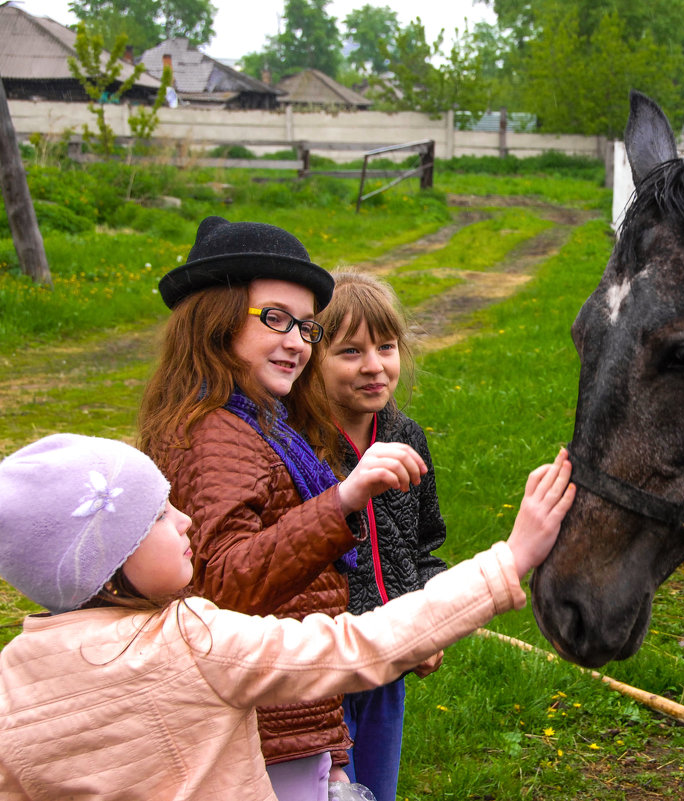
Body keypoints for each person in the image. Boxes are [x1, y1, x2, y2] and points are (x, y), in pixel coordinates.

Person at [0, 432, 574, 801]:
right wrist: (514, 556)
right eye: (156, 515)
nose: (186, 522)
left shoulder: (11, 683)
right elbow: (364, 646)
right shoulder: (190, 640)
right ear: (104, 562)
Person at [137, 216, 429, 800]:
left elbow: (300, 591)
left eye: (305, 327)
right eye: (274, 318)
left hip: (285, 708)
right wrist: (343, 499)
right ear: (215, 320)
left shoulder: (258, 425)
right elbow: (225, 580)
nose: (296, 341)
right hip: (258, 722)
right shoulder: (213, 436)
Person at [315, 272, 445, 798]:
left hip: (387, 668)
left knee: (377, 790)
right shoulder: (302, 444)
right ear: (309, 361)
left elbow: (423, 547)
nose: (374, 366)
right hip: (318, 672)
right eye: (350, 351)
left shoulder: (404, 434)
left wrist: (427, 623)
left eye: (386, 347)